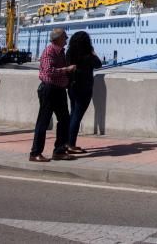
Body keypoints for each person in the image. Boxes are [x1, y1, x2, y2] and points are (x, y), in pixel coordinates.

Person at [29, 27, 77, 162]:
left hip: (59, 89)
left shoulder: (61, 52)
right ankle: (35, 153)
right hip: (49, 89)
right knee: (43, 121)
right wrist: (66, 69)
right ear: (58, 39)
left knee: (64, 120)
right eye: (65, 37)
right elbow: (49, 71)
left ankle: (59, 150)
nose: (67, 39)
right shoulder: (49, 51)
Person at [65, 30, 102, 154]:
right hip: (84, 88)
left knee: (72, 114)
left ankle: (66, 142)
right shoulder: (88, 54)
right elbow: (98, 65)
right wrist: (92, 51)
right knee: (77, 116)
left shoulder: (69, 52)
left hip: (72, 87)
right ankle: (71, 144)